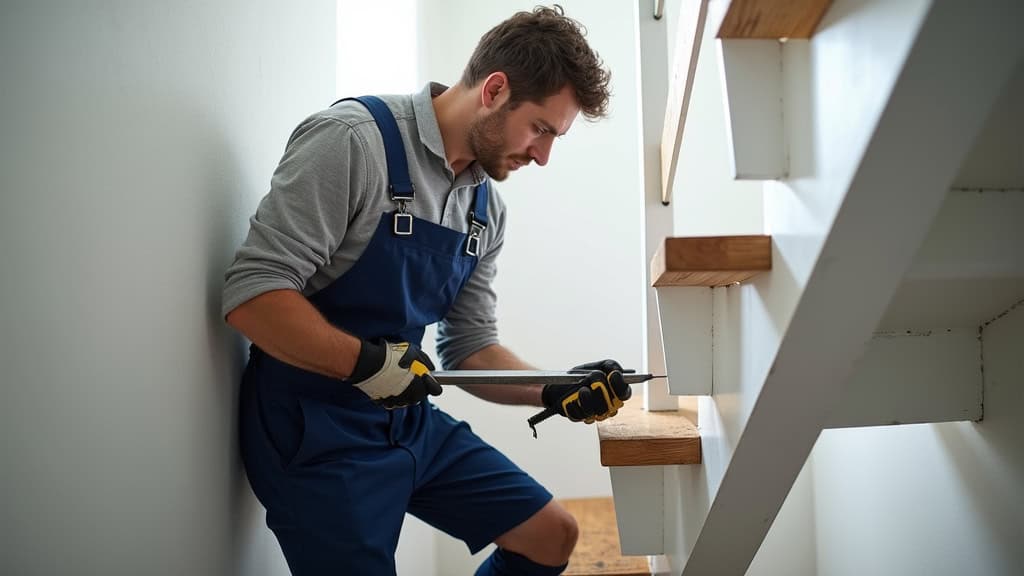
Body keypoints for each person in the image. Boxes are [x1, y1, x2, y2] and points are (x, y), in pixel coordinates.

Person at [222, 6, 631, 575]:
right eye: (540, 129)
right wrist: (364, 364)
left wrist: (554, 389)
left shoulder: (485, 210)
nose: (542, 156)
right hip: (313, 430)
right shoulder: (351, 142)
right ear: (494, 90)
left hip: (407, 419)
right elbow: (254, 296)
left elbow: (469, 348)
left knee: (551, 534)